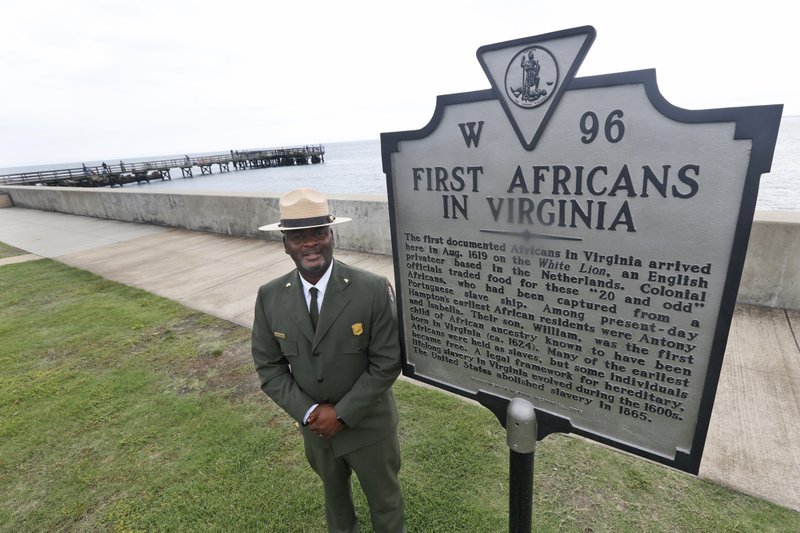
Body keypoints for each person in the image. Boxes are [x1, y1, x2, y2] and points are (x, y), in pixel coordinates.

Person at [251, 188, 405, 533]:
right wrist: (309, 413)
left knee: (386, 504)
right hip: (316, 431)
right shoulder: (269, 297)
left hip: (369, 428)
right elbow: (269, 368)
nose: (310, 244)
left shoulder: (372, 289)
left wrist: (343, 413)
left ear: (331, 236)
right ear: (285, 244)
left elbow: (386, 362)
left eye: (318, 233)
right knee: (335, 505)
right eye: (298, 237)